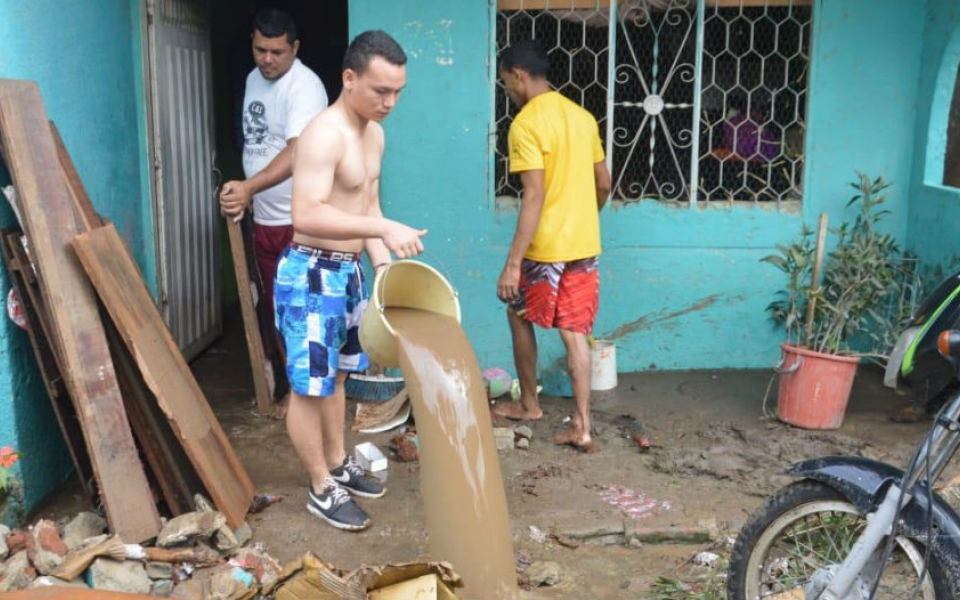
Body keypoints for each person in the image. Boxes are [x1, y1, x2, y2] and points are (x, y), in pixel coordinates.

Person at [275, 30, 426, 531]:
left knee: (339, 375)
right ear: (349, 78)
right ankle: (322, 487)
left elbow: (368, 206)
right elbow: (306, 214)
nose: (391, 102)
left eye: (398, 91)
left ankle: (339, 462)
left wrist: (383, 268)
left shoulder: (375, 133)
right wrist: (380, 230)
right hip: (311, 272)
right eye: (381, 90)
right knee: (308, 387)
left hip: (349, 273)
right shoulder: (323, 133)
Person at [492, 40, 611, 454]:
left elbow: (534, 195)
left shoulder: (525, 125)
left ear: (519, 76)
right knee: (575, 331)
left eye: (507, 84)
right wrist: (584, 215)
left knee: (517, 310)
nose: (508, 91)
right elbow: (604, 183)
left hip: (546, 248)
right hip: (584, 243)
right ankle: (583, 426)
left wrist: (512, 263)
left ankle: (529, 404)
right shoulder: (582, 117)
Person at [219, 8, 327, 404]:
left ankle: (309, 396)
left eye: (277, 52)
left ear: (294, 48)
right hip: (264, 219)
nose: (267, 59)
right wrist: (244, 195)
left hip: (299, 222)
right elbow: (258, 143)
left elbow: (297, 151)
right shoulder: (252, 79)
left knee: (303, 312)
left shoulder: (305, 87)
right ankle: (294, 392)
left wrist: (248, 187)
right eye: (261, 49)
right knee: (277, 310)